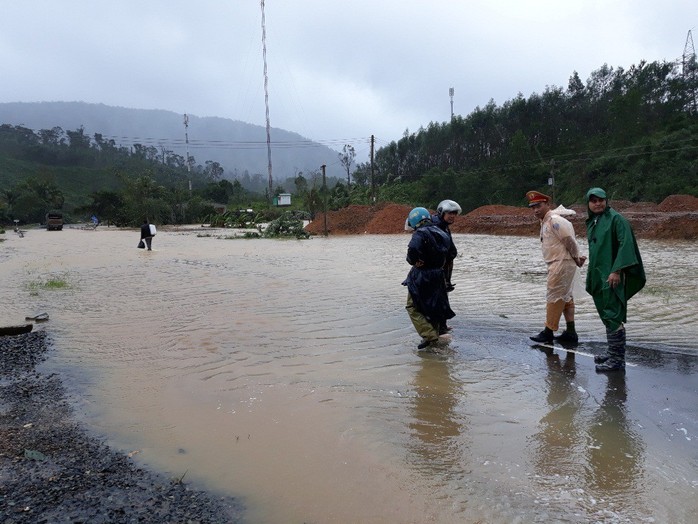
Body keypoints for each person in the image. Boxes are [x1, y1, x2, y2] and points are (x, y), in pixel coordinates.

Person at [585, 187, 645, 372]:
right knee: (606, 313)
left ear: (606, 200)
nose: (597, 203)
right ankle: (613, 353)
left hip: (611, 276)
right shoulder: (593, 221)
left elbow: (625, 245)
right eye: (593, 200)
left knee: (613, 313)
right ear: (588, 203)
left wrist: (617, 270)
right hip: (597, 274)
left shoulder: (616, 219)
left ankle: (618, 360)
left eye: (601, 200)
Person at [527, 191, 586, 344]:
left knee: (553, 296)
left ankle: (548, 331)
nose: (536, 210)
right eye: (533, 207)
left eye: (538, 206)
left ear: (547, 204)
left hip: (561, 263)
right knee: (566, 297)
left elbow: (569, 240)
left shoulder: (554, 221)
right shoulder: (545, 221)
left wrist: (576, 258)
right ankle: (571, 332)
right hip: (559, 262)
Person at [402, 207, 455, 350]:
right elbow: (452, 253)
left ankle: (430, 336)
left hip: (422, 275)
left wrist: (414, 261)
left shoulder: (419, 233)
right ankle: (434, 336)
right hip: (438, 274)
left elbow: (412, 251)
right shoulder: (442, 231)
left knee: (412, 306)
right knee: (433, 305)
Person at [432, 199, 461, 334]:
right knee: (437, 299)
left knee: (442, 298)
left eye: (455, 214)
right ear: (441, 212)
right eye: (450, 213)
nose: (453, 216)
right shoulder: (435, 227)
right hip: (437, 271)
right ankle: (435, 330)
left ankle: (442, 326)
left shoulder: (443, 226)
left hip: (444, 270)